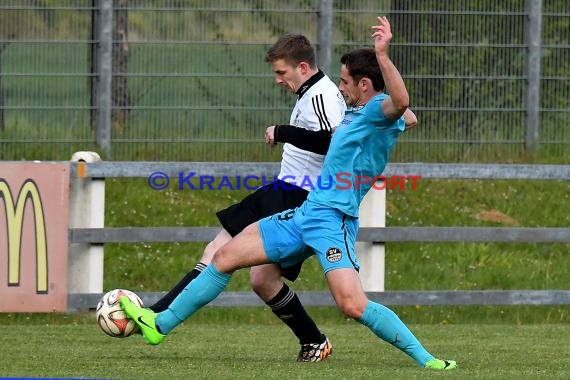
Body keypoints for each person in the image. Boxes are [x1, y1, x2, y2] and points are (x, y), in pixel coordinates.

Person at [121, 17, 457, 371]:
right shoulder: (361, 111)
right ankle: (159, 325)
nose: (339, 87)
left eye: (344, 82)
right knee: (225, 256)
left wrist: (383, 57)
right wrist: (394, 124)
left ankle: (428, 360)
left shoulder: (377, 111)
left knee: (352, 305)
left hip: (334, 221)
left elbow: (401, 103)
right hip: (305, 213)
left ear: (364, 84)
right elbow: (410, 117)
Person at [146, 33, 346, 362]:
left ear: (303, 67)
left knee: (220, 253)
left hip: (298, 195)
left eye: (282, 73)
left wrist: (281, 132)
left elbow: (331, 144)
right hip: (286, 190)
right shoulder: (310, 92)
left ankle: (156, 316)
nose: (278, 80)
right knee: (262, 279)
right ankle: (314, 341)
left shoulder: (322, 95)